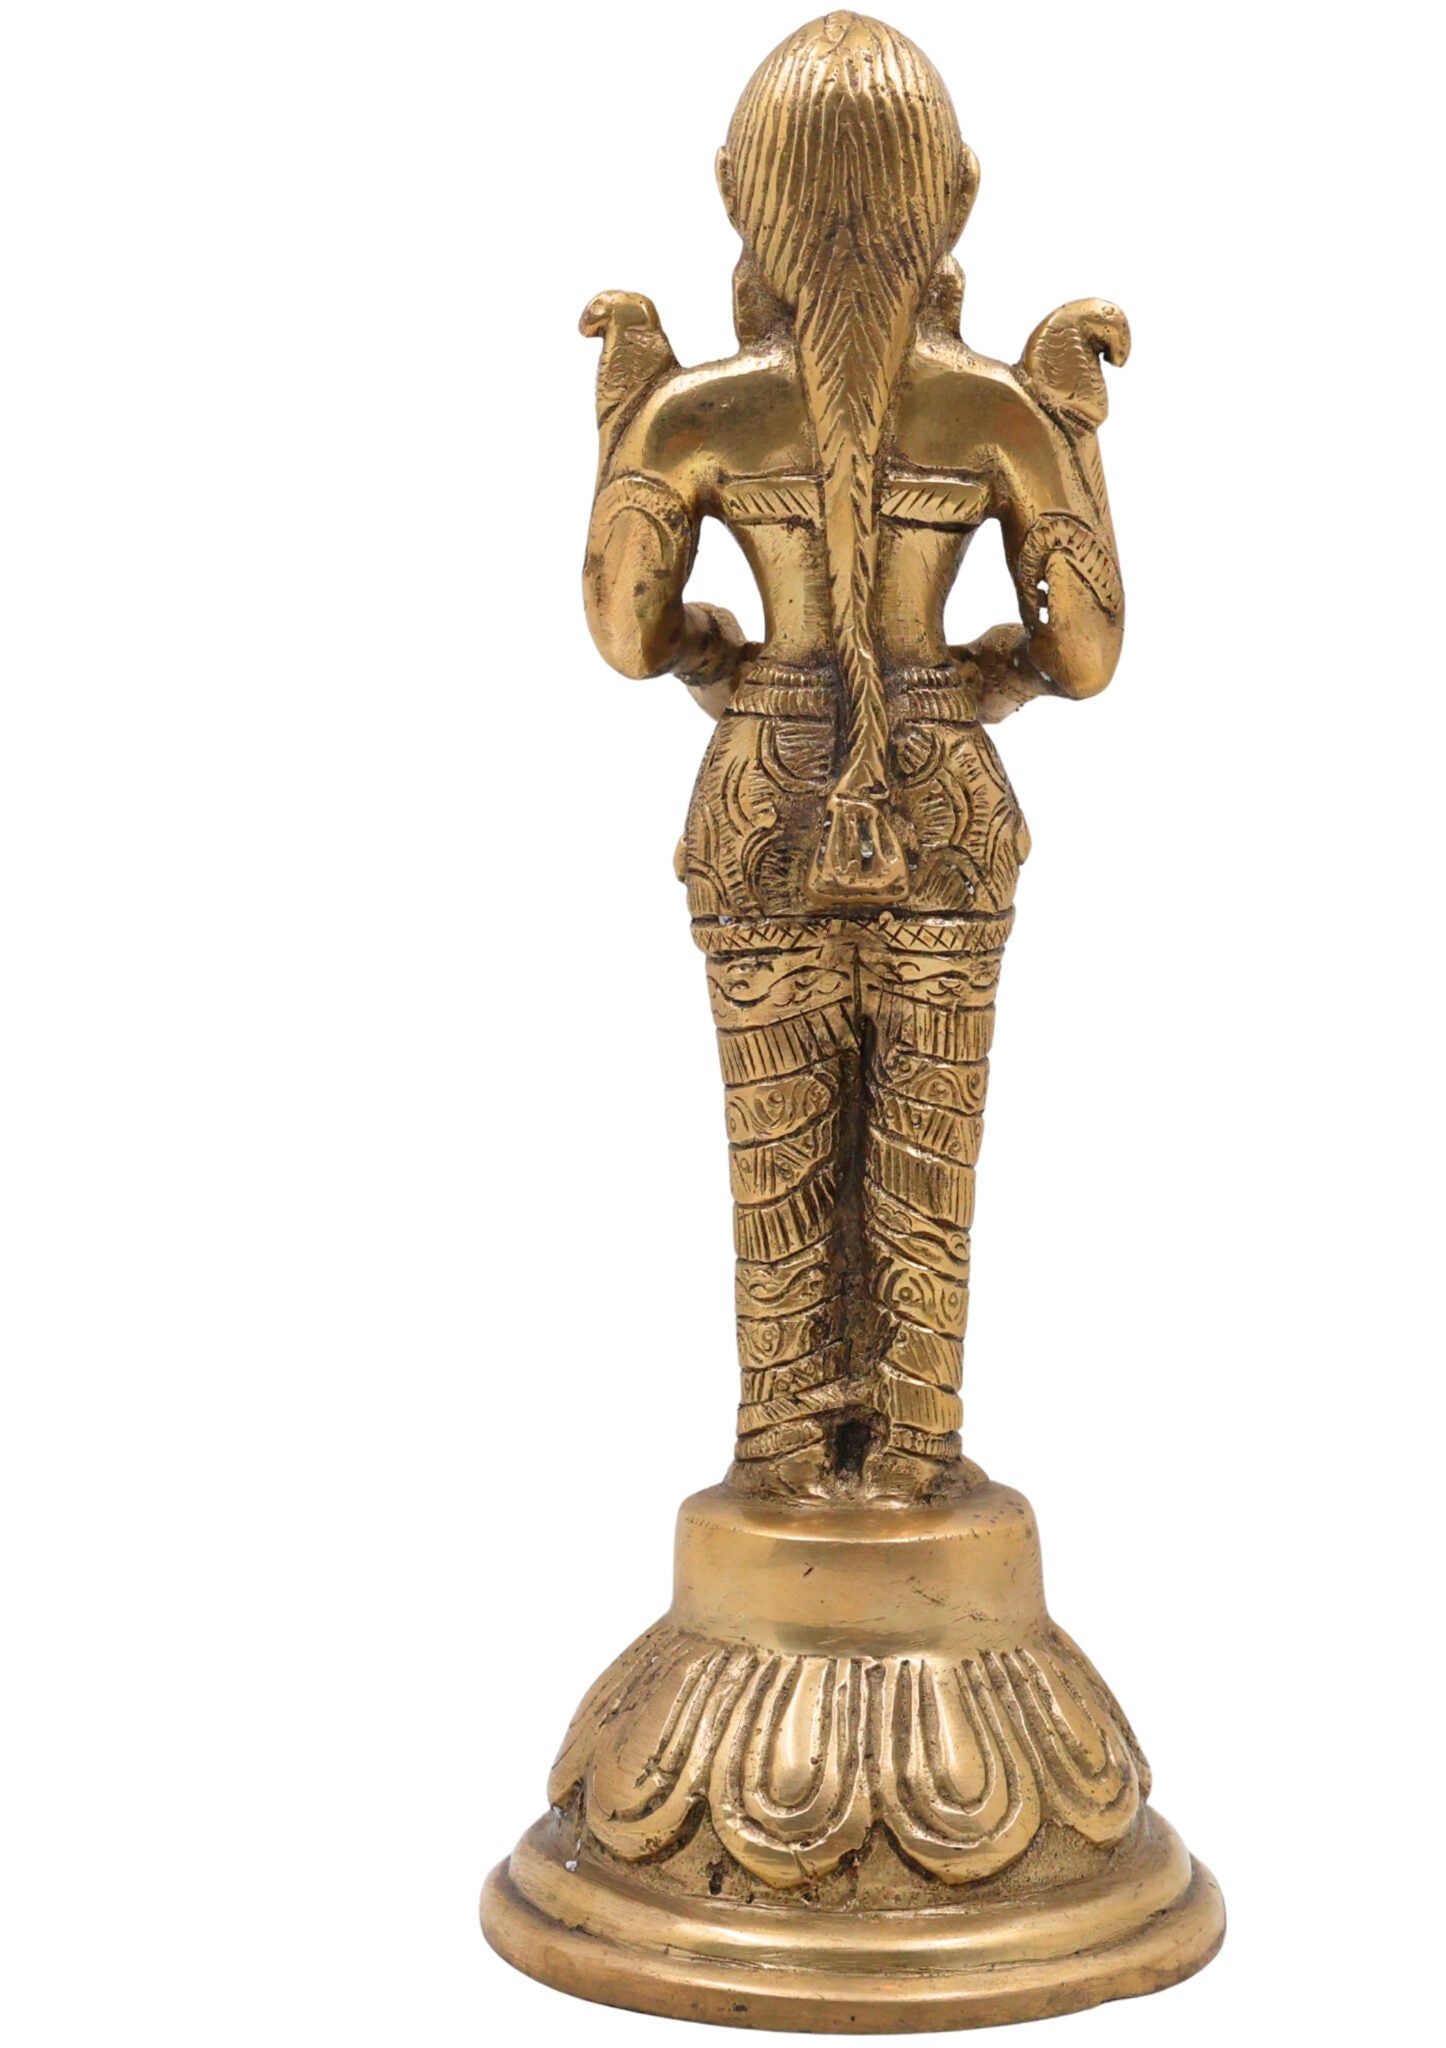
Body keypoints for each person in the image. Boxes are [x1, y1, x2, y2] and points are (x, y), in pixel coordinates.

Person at [580, 13, 1128, 1502]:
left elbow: (625, 632)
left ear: (733, 192)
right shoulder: (996, 412)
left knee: (777, 1161)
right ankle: (911, 1453)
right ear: (957, 194)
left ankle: (781, 1453)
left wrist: (631, 444)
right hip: (942, 802)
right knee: (926, 1166)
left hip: (765, 797)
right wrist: (1074, 443)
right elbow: (1086, 650)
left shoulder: (699, 413)